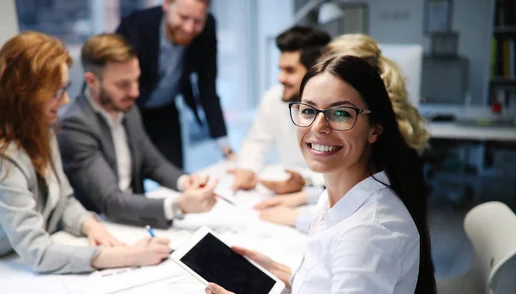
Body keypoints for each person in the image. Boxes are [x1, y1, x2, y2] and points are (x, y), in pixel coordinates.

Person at [205, 55, 437, 294]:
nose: (318, 127)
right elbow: (341, 285)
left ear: (375, 128)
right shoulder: (341, 195)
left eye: (341, 113)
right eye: (308, 110)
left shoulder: (369, 234)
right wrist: (284, 272)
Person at [0, 32, 171, 274]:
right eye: (57, 92)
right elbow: (37, 251)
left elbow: (65, 199)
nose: (65, 100)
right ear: (26, 94)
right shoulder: (1, 158)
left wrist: (88, 224)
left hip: (28, 267)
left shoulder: (42, 131)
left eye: (65, 88)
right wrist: (126, 256)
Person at [256, 34, 430, 231]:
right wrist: (303, 195)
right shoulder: (382, 128)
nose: (318, 127)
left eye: (340, 112)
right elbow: (353, 192)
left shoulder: (385, 138)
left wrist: (296, 217)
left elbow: (364, 217)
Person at [59, 33, 218, 230]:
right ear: (92, 81)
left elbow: (152, 162)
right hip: (100, 226)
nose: (135, 92)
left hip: (134, 219)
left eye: (136, 80)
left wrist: (186, 182)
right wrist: (179, 205)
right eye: (123, 85)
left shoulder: (126, 107)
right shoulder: (75, 125)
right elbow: (111, 201)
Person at [116, 0, 234, 169]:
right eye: (183, 17)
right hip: (130, 111)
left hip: (166, 111)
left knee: (176, 175)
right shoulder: (136, 26)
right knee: (133, 176)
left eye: (198, 21)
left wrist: (226, 148)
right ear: (166, 5)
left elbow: (208, 89)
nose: (189, 28)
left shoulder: (207, 28)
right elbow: (110, 76)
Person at [229, 26, 330, 193]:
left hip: (325, 195)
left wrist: (306, 181)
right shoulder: (273, 98)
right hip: (286, 191)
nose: (280, 78)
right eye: (280, 69)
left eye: (289, 70)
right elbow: (256, 141)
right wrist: (248, 169)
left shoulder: (334, 110)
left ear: (314, 71)